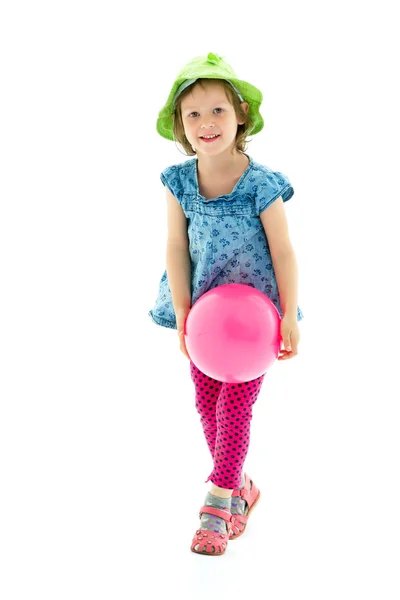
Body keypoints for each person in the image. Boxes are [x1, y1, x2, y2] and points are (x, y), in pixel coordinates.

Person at [149, 52, 304, 556]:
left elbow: (283, 250)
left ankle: (217, 503)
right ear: (180, 126)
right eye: (192, 114)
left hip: (253, 324)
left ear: (241, 115)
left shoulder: (261, 184)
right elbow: (176, 247)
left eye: (217, 110)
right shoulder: (178, 182)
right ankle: (241, 484)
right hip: (204, 321)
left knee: (236, 407)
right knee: (205, 403)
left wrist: (289, 316)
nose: (206, 123)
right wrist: (182, 314)